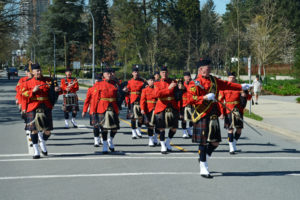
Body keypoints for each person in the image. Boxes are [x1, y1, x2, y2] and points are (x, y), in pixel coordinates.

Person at [188, 59, 252, 178]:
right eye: (207, 68)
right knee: (203, 141)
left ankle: (204, 157)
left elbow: (227, 84)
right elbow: (190, 99)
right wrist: (205, 97)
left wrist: (240, 86)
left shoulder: (214, 80)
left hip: (213, 113)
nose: (209, 70)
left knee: (216, 141)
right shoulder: (194, 83)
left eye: (210, 68)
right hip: (202, 113)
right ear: (200, 70)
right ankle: (203, 166)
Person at [21, 64, 60, 159]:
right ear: (32, 72)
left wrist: (57, 90)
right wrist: (32, 91)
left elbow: (54, 92)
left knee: (48, 131)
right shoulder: (27, 82)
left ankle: (42, 140)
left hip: (46, 106)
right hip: (33, 106)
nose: (38, 72)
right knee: (33, 130)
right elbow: (23, 93)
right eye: (36, 71)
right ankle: (36, 150)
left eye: (39, 70)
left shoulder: (48, 80)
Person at [219, 72, 252, 154]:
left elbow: (249, 98)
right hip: (228, 110)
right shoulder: (224, 88)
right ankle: (231, 147)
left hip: (238, 110)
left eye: (233, 77)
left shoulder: (239, 87)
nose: (231, 79)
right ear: (228, 78)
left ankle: (234, 142)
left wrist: (248, 92)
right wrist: (221, 112)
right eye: (230, 77)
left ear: (235, 79)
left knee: (239, 129)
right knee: (230, 129)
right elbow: (220, 101)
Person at [153, 66, 183, 153]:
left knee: (174, 128)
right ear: (160, 74)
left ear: (168, 73)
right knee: (161, 128)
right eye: (162, 72)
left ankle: (168, 142)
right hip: (162, 106)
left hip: (172, 106)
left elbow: (178, 95)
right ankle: (162, 145)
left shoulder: (173, 82)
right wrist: (168, 88)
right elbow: (157, 94)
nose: (164, 74)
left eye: (165, 72)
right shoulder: (157, 83)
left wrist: (180, 89)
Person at [92, 68, 120, 153]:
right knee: (104, 128)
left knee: (115, 128)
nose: (109, 75)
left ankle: (110, 140)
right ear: (103, 75)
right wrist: (93, 110)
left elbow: (119, 96)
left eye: (110, 73)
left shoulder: (115, 84)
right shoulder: (99, 84)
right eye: (107, 73)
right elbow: (95, 98)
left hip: (113, 107)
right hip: (103, 107)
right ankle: (104, 145)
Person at [123, 66, 146, 139]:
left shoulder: (142, 82)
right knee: (133, 117)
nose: (136, 73)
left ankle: (138, 129)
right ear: (132, 73)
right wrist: (125, 91)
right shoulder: (129, 82)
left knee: (140, 117)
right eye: (134, 72)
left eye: (137, 72)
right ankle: (133, 132)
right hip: (132, 100)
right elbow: (126, 92)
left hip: (140, 100)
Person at [82, 73, 103, 147]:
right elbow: (87, 101)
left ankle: (103, 139)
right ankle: (96, 140)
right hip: (93, 110)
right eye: (97, 80)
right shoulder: (91, 89)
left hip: (102, 110)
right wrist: (84, 110)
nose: (98, 81)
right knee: (96, 126)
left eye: (100, 80)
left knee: (103, 126)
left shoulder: (104, 89)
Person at [140, 75, 157, 147]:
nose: (152, 82)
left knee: (158, 125)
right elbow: (142, 100)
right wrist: (142, 109)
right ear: (147, 81)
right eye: (150, 80)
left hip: (157, 108)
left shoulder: (157, 89)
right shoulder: (144, 90)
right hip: (148, 109)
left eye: (153, 80)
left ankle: (155, 138)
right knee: (150, 125)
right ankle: (150, 139)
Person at [180, 72, 193, 138]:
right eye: (186, 77)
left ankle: (189, 129)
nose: (187, 78)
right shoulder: (181, 84)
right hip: (183, 103)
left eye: (188, 77)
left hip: (191, 103)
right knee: (184, 119)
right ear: (184, 77)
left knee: (193, 118)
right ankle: (184, 132)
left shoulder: (193, 84)